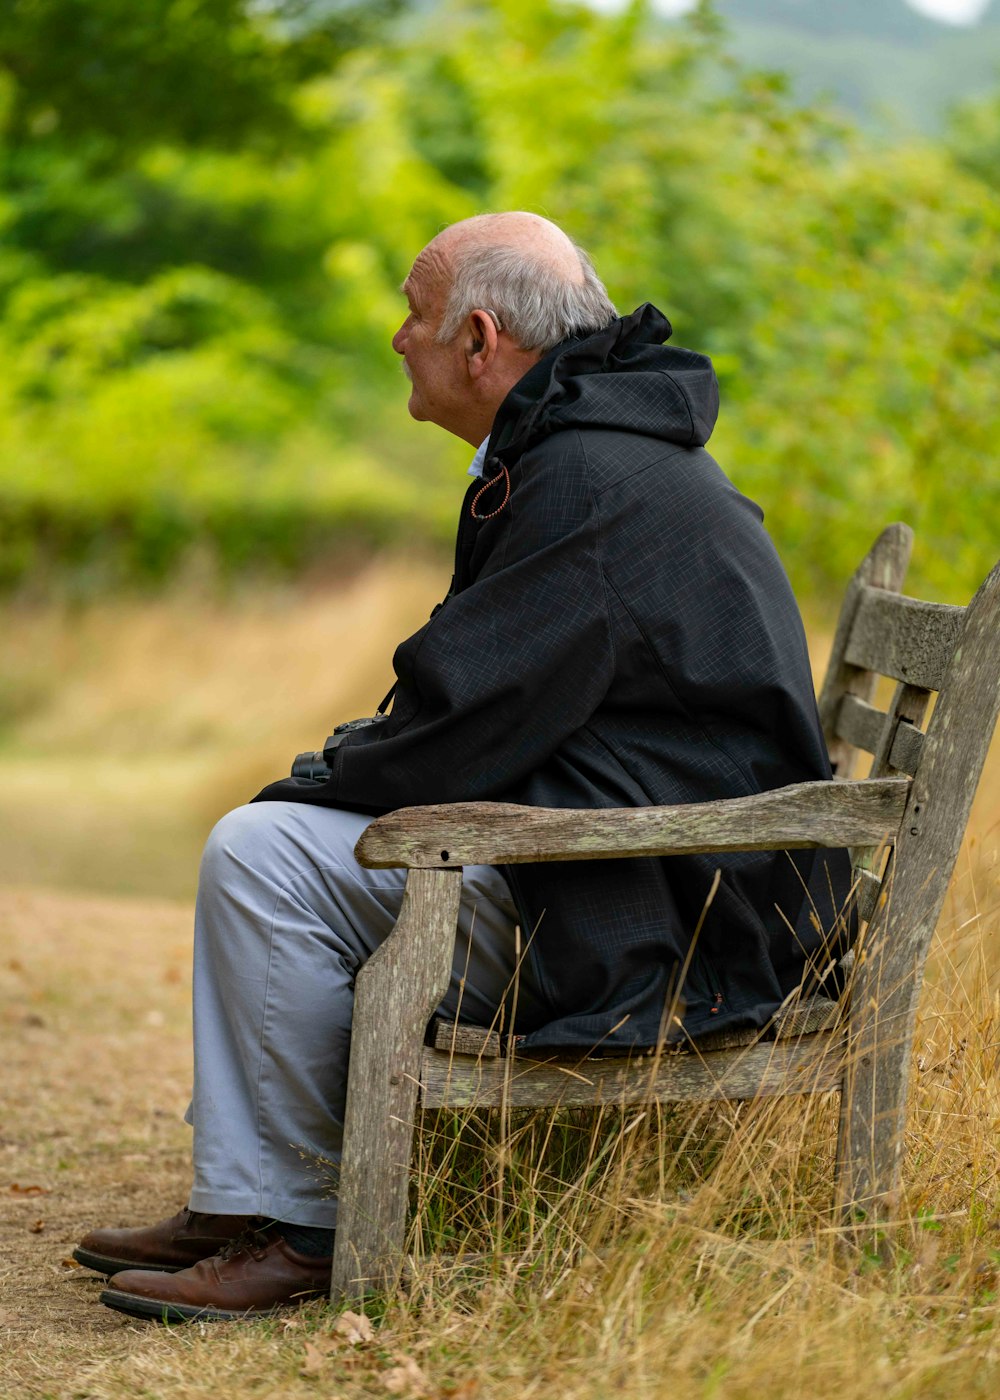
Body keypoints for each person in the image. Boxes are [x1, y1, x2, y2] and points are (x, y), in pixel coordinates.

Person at [76, 212, 849, 1322]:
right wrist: (338, 768)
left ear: (480, 338)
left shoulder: (587, 478)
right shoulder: (587, 449)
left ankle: (298, 1226)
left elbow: (466, 719)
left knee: (265, 853)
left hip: (665, 915)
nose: (398, 339)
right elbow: (492, 705)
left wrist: (309, 777)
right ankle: (250, 1194)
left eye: (413, 314)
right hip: (672, 880)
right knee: (283, 841)